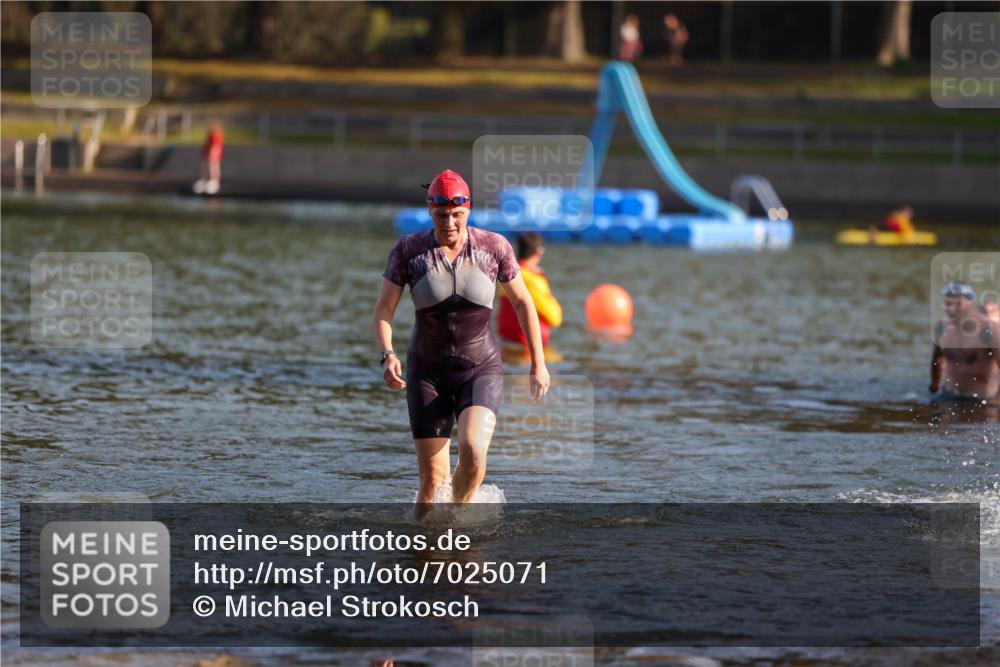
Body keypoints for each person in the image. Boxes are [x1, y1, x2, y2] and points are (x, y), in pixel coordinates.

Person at [373, 169, 551, 517]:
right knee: (431, 479)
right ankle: (421, 549)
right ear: (430, 211)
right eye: (442, 215)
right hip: (427, 374)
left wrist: (538, 363)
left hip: (480, 369)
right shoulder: (409, 251)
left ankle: (456, 519)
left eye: (457, 215)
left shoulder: (493, 246)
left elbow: (522, 302)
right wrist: (387, 355)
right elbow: (383, 308)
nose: (450, 223)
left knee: (472, 450)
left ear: (468, 211)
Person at [930, 281, 1000, 405]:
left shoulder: (989, 329)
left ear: (970, 302)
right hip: (949, 396)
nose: (952, 309)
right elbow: (937, 360)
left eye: (958, 304)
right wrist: (934, 388)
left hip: (982, 400)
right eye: (948, 304)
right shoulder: (941, 327)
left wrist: (997, 401)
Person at [498, 232, 562, 348]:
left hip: (506, 340)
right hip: (529, 344)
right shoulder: (534, 280)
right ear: (538, 252)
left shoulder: (507, 273)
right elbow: (554, 317)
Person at [193, 120, 224, 195]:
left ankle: (214, 182)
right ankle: (205, 181)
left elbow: (216, 146)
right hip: (207, 155)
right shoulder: (210, 135)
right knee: (205, 168)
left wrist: (213, 154)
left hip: (213, 156)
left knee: (213, 168)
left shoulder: (216, 135)